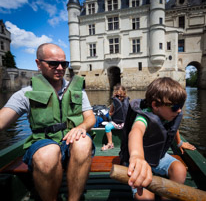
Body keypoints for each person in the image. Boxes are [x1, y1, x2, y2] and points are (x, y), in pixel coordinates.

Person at [0, 43, 96, 201]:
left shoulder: (78, 91)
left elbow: (90, 118)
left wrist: (81, 127)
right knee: (49, 152)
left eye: (64, 64)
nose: (60, 67)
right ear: (38, 64)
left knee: (83, 142)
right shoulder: (26, 94)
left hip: (70, 142)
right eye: (53, 63)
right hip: (43, 143)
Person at [119, 77, 196, 200]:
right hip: (140, 159)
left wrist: (180, 142)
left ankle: (166, 197)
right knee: (145, 198)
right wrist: (137, 156)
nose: (179, 110)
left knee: (180, 170)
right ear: (155, 105)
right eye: (175, 107)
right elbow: (136, 132)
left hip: (158, 155)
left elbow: (173, 128)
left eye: (181, 105)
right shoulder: (143, 117)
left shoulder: (170, 114)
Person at [101, 84, 129, 151]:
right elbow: (110, 113)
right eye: (117, 96)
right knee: (107, 127)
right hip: (115, 122)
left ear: (124, 94)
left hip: (124, 123)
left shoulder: (127, 102)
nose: (119, 98)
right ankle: (110, 143)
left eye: (121, 96)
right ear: (115, 95)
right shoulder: (114, 103)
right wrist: (114, 113)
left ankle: (129, 143)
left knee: (131, 127)